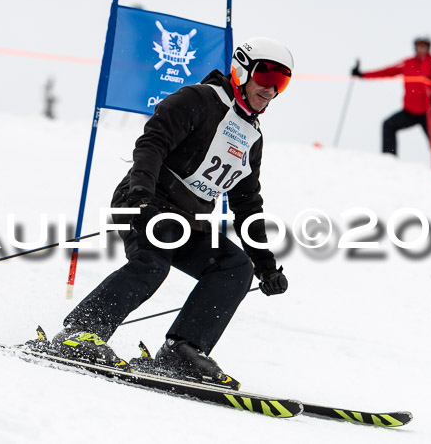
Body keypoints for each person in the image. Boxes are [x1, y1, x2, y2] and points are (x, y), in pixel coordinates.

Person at [48, 37, 293, 387]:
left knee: (234, 267)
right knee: (152, 263)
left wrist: (265, 266)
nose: (271, 89)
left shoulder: (252, 136)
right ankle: (80, 334)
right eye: (266, 75)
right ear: (241, 69)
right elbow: (152, 142)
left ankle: (183, 352)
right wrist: (141, 193)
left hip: (189, 222)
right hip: (148, 200)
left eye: (281, 82)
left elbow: (247, 203)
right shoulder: (199, 100)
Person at [351, 35, 431, 171]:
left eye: (424, 46)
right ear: (415, 47)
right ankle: (388, 160)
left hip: (429, 112)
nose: (421, 49)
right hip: (410, 111)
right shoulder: (407, 63)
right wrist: (362, 75)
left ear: (428, 48)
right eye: (419, 46)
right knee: (388, 125)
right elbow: (387, 71)